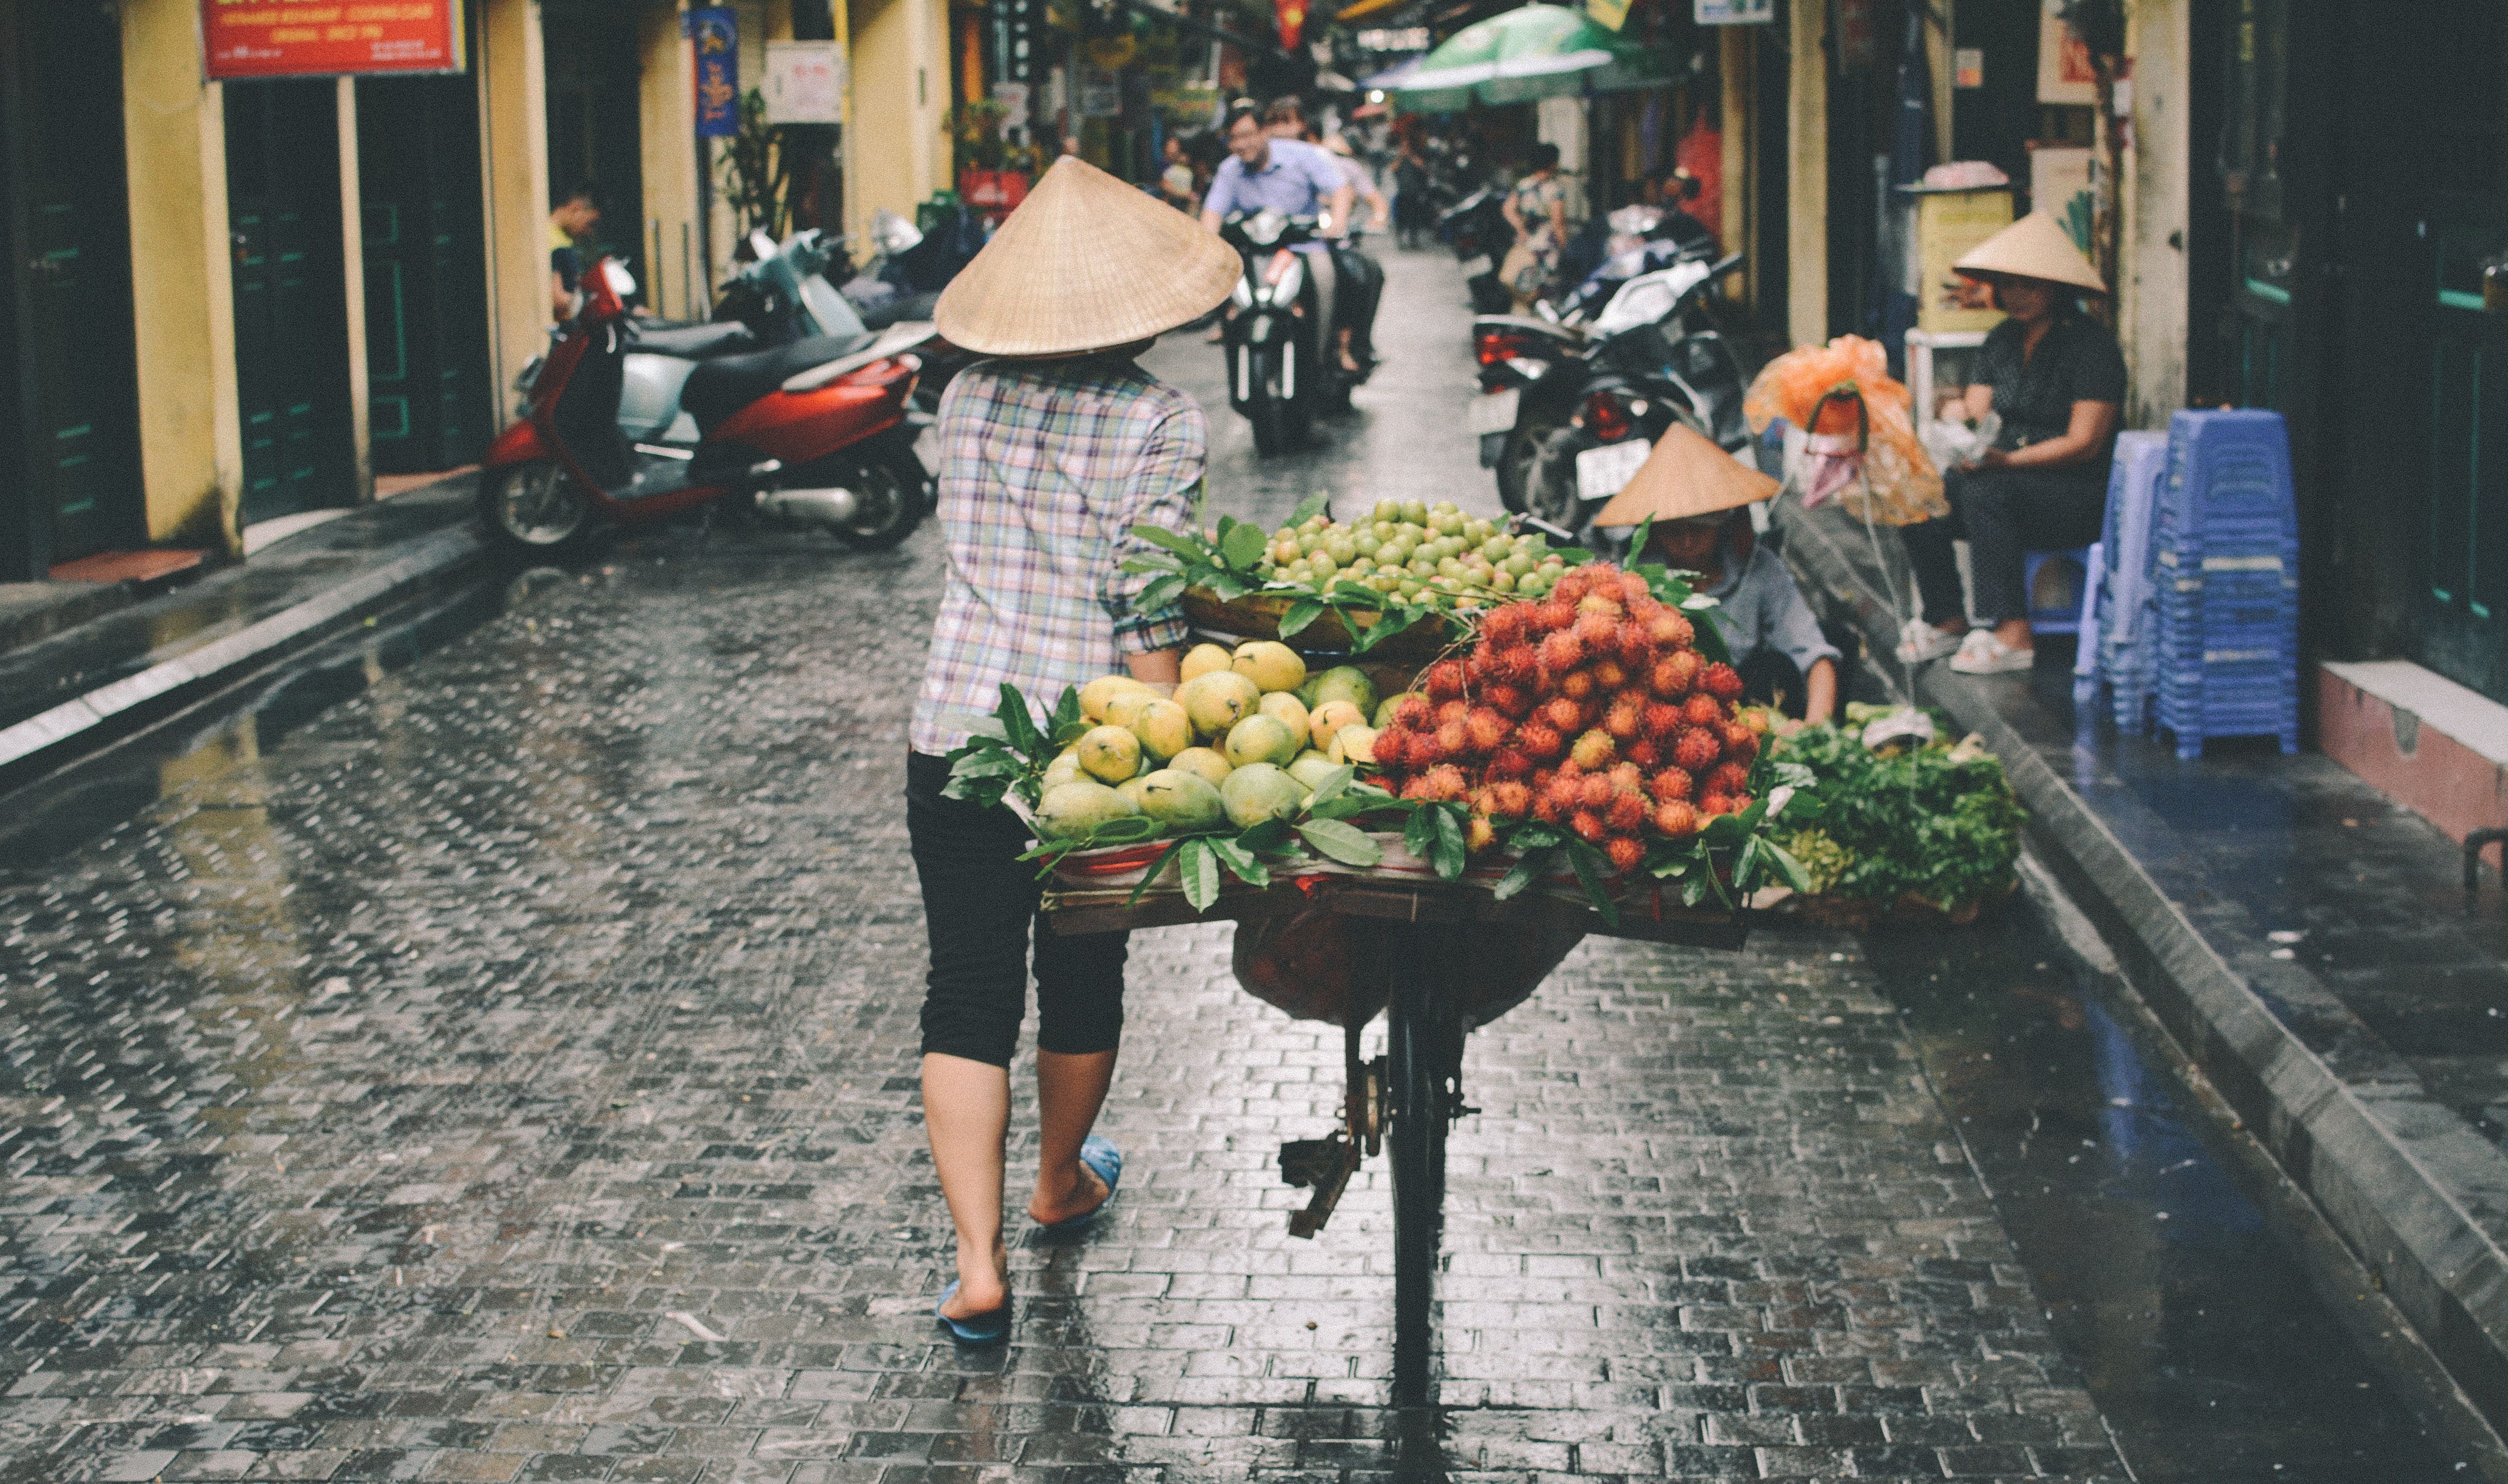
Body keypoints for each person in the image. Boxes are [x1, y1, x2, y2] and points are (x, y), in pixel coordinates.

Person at [914, 157, 1239, 1346]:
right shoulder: (1156, 416)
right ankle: (1058, 1182)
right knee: (1084, 972)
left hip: (954, 728)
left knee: (966, 985)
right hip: (1087, 748)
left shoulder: (961, 399)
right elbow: (1147, 602)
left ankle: (975, 1267)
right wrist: (1172, 763)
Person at [1894, 213, 2123, 674]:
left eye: (2029, 285)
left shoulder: (2091, 346)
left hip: (2075, 492)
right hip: (2006, 479)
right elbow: (1978, 411)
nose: (2016, 295)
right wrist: (1957, 418)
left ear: (2056, 289)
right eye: (2008, 285)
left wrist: (2011, 461)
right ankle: (1946, 618)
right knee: (1917, 496)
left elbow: (2085, 442)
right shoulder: (2002, 340)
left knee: (1986, 492)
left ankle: (2013, 633)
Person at [1594, 425, 1840, 724]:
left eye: (1699, 528)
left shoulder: (1758, 568)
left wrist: (1816, 733)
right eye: (1673, 530)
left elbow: (1813, 653)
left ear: (1723, 523)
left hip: (1744, 705)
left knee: (1774, 666)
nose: (1686, 541)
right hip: (1663, 714)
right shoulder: (1636, 579)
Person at [1200, 103, 1377, 375]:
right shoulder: (1229, 170)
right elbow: (1212, 213)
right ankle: (1230, 332)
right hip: (1255, 253)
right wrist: (1206, 247)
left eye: (1247, 135)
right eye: (1234, 138)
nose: (1242, 144)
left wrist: (1337, 224)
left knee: (1330, 277)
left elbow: (1341, 191)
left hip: (1304, 248)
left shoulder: (1303, 156)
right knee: (1222, 281)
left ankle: (1333, 349)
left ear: (1264, 132)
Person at [1499, 144, 1569, 311]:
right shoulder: (1555, 190)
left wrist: (1520, 229)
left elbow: (1508, 209)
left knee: (1522, 285)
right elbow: (1558, 224)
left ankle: (1521, 322)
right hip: (1545, 248)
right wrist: (1565, 247)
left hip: (1525, 244)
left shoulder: (1524, 185)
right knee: (1545, 290)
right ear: (1553, 163)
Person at [548, 185, 601, 321]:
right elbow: (558, 299)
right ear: (576, 208)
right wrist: (600, 304)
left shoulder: (562, 240)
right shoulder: (553, 242)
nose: (589, 231)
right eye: (590, 224)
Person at [1392, 134, 1432, 249]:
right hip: (1402, 193)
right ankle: (1401, 240)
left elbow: (1423, 168)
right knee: (1402, 219)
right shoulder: (1399, 159)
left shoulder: (1415, 158)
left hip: (1414, 193)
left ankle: (1414, 241)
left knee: (1414, 218)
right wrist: (1401, 157)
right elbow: (1393, 168)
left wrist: (1411, 156)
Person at [1159, 136, 1198, 213]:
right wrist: (1184, 194)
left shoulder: (1186, 171)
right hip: (1167, 197)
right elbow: (1165, 186)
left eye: (1175, 147)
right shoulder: (1164, 165)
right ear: (1166, 148)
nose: (1173, 150)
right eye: (1171, 146)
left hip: (1181, 198)